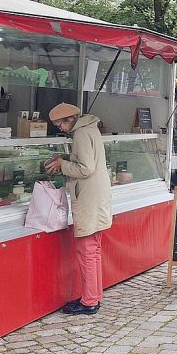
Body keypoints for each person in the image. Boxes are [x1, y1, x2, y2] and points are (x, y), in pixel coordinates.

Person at [43, 103, 113, 315]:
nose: (60, 128)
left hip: (88, 197)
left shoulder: (81, 134)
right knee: (94, 249)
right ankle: (94, 295)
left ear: (71, 119)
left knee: (87, 250)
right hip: (97, 195)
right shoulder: (90, 128)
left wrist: (62, 165)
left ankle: (89, 301)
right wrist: (65, 160)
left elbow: (85, 168)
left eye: (61, 124)